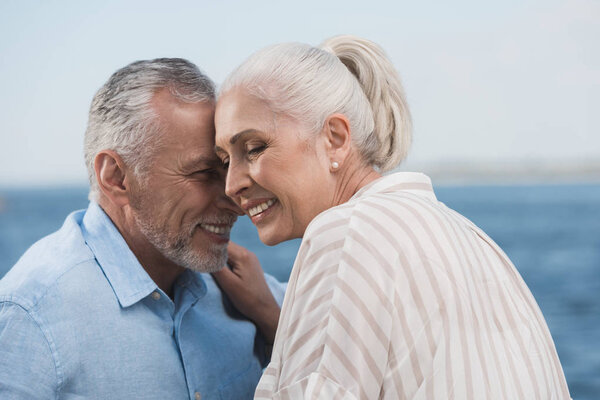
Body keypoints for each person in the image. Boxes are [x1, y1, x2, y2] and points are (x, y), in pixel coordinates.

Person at [212, 36, 571, 399]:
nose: (231, 185)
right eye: (225, 161)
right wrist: (278, 319)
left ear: (335, 138)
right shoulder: (471, 239)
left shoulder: (346, 234)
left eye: (254, 148)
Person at [0, 58, 285, 399]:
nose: (236, 201)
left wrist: (273, 323)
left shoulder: (251, 293)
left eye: (226, 167)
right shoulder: (31, 318)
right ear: (117, 178)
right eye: (203, 173)